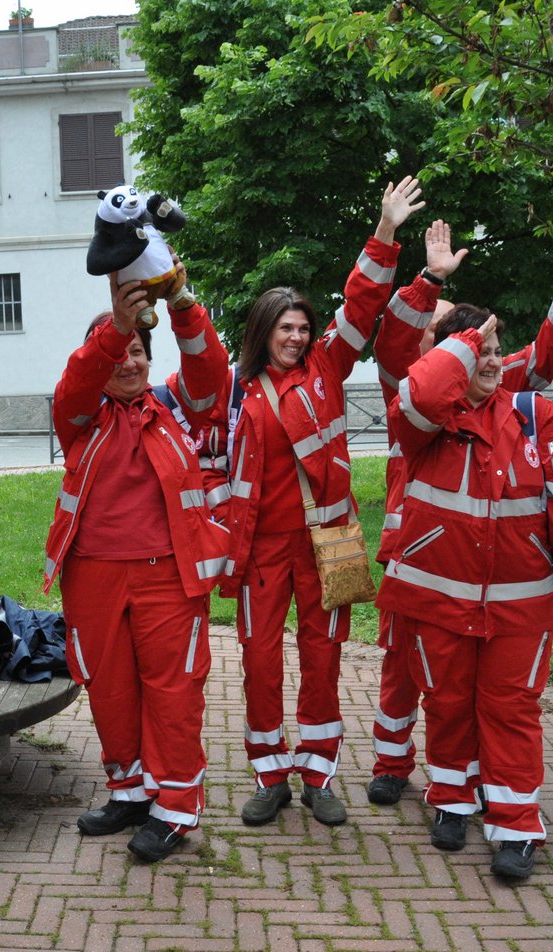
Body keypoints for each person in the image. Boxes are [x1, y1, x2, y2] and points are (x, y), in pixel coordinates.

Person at [366, 239, 553, 808]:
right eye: (447, 329)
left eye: (479, 336)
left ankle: (476, 778)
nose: (474, 346)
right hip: (410, 557)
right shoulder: (407, 384)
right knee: (403, 672)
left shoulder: (493, 385)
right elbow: (393, 337)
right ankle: (391, 762)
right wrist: (428, 280)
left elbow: (541, 357)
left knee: (459, 686)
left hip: (467, 569)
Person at [219, 176, 426, 829]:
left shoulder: (328, 368)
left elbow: (362, 306)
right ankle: (269, 774)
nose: (297, 337)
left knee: (323, 659)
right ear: (263, 330)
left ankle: (318, 774)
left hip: (328, 538)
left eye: (304, 327)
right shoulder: (239, 390)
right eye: (285, 327)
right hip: (260, 546)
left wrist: (386, 231)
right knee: (257, 663)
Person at [380, 308, 553, 880]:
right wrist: (464, 339)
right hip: (438, 597)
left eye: (493, 347)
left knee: (510, 710)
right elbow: (423, 390)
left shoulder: (536, 415)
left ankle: (514, 823)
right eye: (475, 349)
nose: (486, 356)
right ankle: (452, 803)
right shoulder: (426, 421)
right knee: (448, 702)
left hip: (519, 600)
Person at [43, 267, 232, 862]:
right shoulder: (80, 417)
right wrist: (118, 323)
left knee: (173, 692)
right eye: (118, 354)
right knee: (111, 691)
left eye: (138, 353)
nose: (129, 362)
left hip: (168, 576)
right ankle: (129, 790)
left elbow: (211, 372)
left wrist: (179, 301)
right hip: (94, 574)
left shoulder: (180, 409)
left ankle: (175, 808)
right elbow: (77, 381)